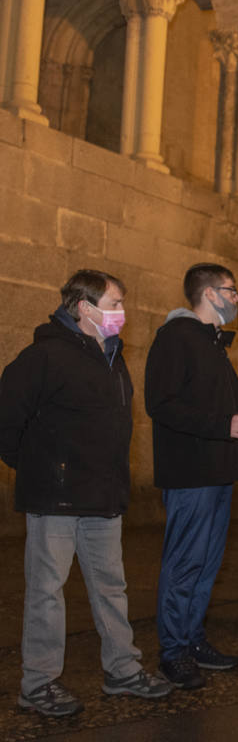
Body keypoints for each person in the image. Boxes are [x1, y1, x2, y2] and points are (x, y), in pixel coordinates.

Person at [1, 270, 174, 716]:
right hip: (55, 499)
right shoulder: (44, 356)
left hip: (103, 498)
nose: (122, 313)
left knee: (111, 588)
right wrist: (42, 469)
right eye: (114, 303)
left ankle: (123, 670)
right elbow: (7, 420)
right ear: (85, 308)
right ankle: (38, 683)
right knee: (46, 591)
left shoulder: (112, 357)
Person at [144, 263, 238, 690]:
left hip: (217, 473)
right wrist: (221, 425)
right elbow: (162, 403)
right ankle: (173, 650)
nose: (237, 298)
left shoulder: (211, 343)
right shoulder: (176, 338)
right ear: (208, 294)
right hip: (191, 474)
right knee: (184, 563)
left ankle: (191, 640)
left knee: (206, 564)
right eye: (232, 290)